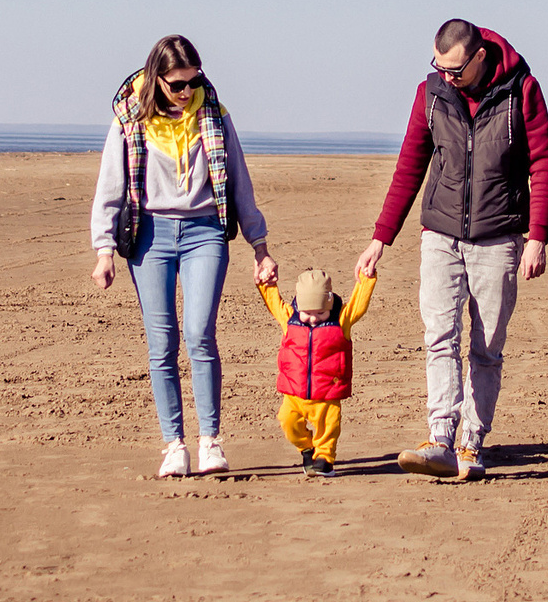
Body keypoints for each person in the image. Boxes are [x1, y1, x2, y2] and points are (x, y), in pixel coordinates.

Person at [355, 19, 548, 482]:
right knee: (440, 337)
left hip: (499, 238)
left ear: (479, 56)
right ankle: (441, 438)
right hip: (440, 236)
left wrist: (538, 236)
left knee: (486, 348)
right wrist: (380, 238)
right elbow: (410, 165)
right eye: (439, 67)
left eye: (455, 70)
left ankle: (472, 443)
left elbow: (542, 164)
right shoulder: (431, 94)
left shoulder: (521, 91)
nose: (446, 76)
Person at [90, 34, 278, 479]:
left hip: (204, 232)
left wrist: (260, 247)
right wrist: (104, 250)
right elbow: (110, 187)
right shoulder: (129, 120)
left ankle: (210, 441)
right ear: (157, 79)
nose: (186, 91)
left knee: (199, 334)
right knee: (162, 343)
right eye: (177, 84)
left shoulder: (214, 114)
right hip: (149, 236)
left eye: (193, 81)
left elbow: (240, 183)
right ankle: (173, 445)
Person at [255, 265, 378, 478]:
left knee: (328, 427)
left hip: (327, 394)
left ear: (329, 304)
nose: (313, 318)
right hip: (294, 393)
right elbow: (273, 302)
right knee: (287, 421)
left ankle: (324, 459)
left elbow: (358, 304)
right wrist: (266, 284)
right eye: (307, 313)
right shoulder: (289, 318)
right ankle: (306, 449)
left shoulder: (341, 320)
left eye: (320, 313)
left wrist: (366, 279)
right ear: (298, 306)